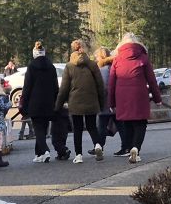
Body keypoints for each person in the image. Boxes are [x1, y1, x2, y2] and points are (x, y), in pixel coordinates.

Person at [108, 33, 162, 164]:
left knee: (127, 123)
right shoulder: (143, 58)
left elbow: (111, 83)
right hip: (139, 95)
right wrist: (157, 98)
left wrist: (111, 102)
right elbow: (152, 80)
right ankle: (135, 148)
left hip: (122, 96)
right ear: (137, 43)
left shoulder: (117, 59)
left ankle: (130, 147)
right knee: (140, 123)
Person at [56, 40, 106, 163]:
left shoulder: (69, 66)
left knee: (77, 129)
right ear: (83, 49)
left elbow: (64, 89)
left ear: (72, 50)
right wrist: (101, 102)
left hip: (75, 102)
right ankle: (98, 145)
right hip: (91, 100)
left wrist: (58, 105)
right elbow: (100, 85)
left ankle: (78, 155)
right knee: (92, 126)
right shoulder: (93, 65)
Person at [19, 41, 58, 163]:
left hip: (34, 103)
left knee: (38, 130)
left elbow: (27, 87)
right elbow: (55, 86)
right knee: (44, 127)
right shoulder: (51, 67)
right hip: (49, 102)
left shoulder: (31, 67)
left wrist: (24, 104)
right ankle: (39, 153)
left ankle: (45, 151)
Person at [92, 46, 127, 156]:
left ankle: (99, 147)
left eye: (96, 56)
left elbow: (105, 87)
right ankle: (125, 146)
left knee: (102, 126)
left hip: (106, 103)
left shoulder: (104, 69)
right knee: (120, 126)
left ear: (101, 56)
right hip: (115, 103)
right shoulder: (113, 66)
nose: (96, 59)